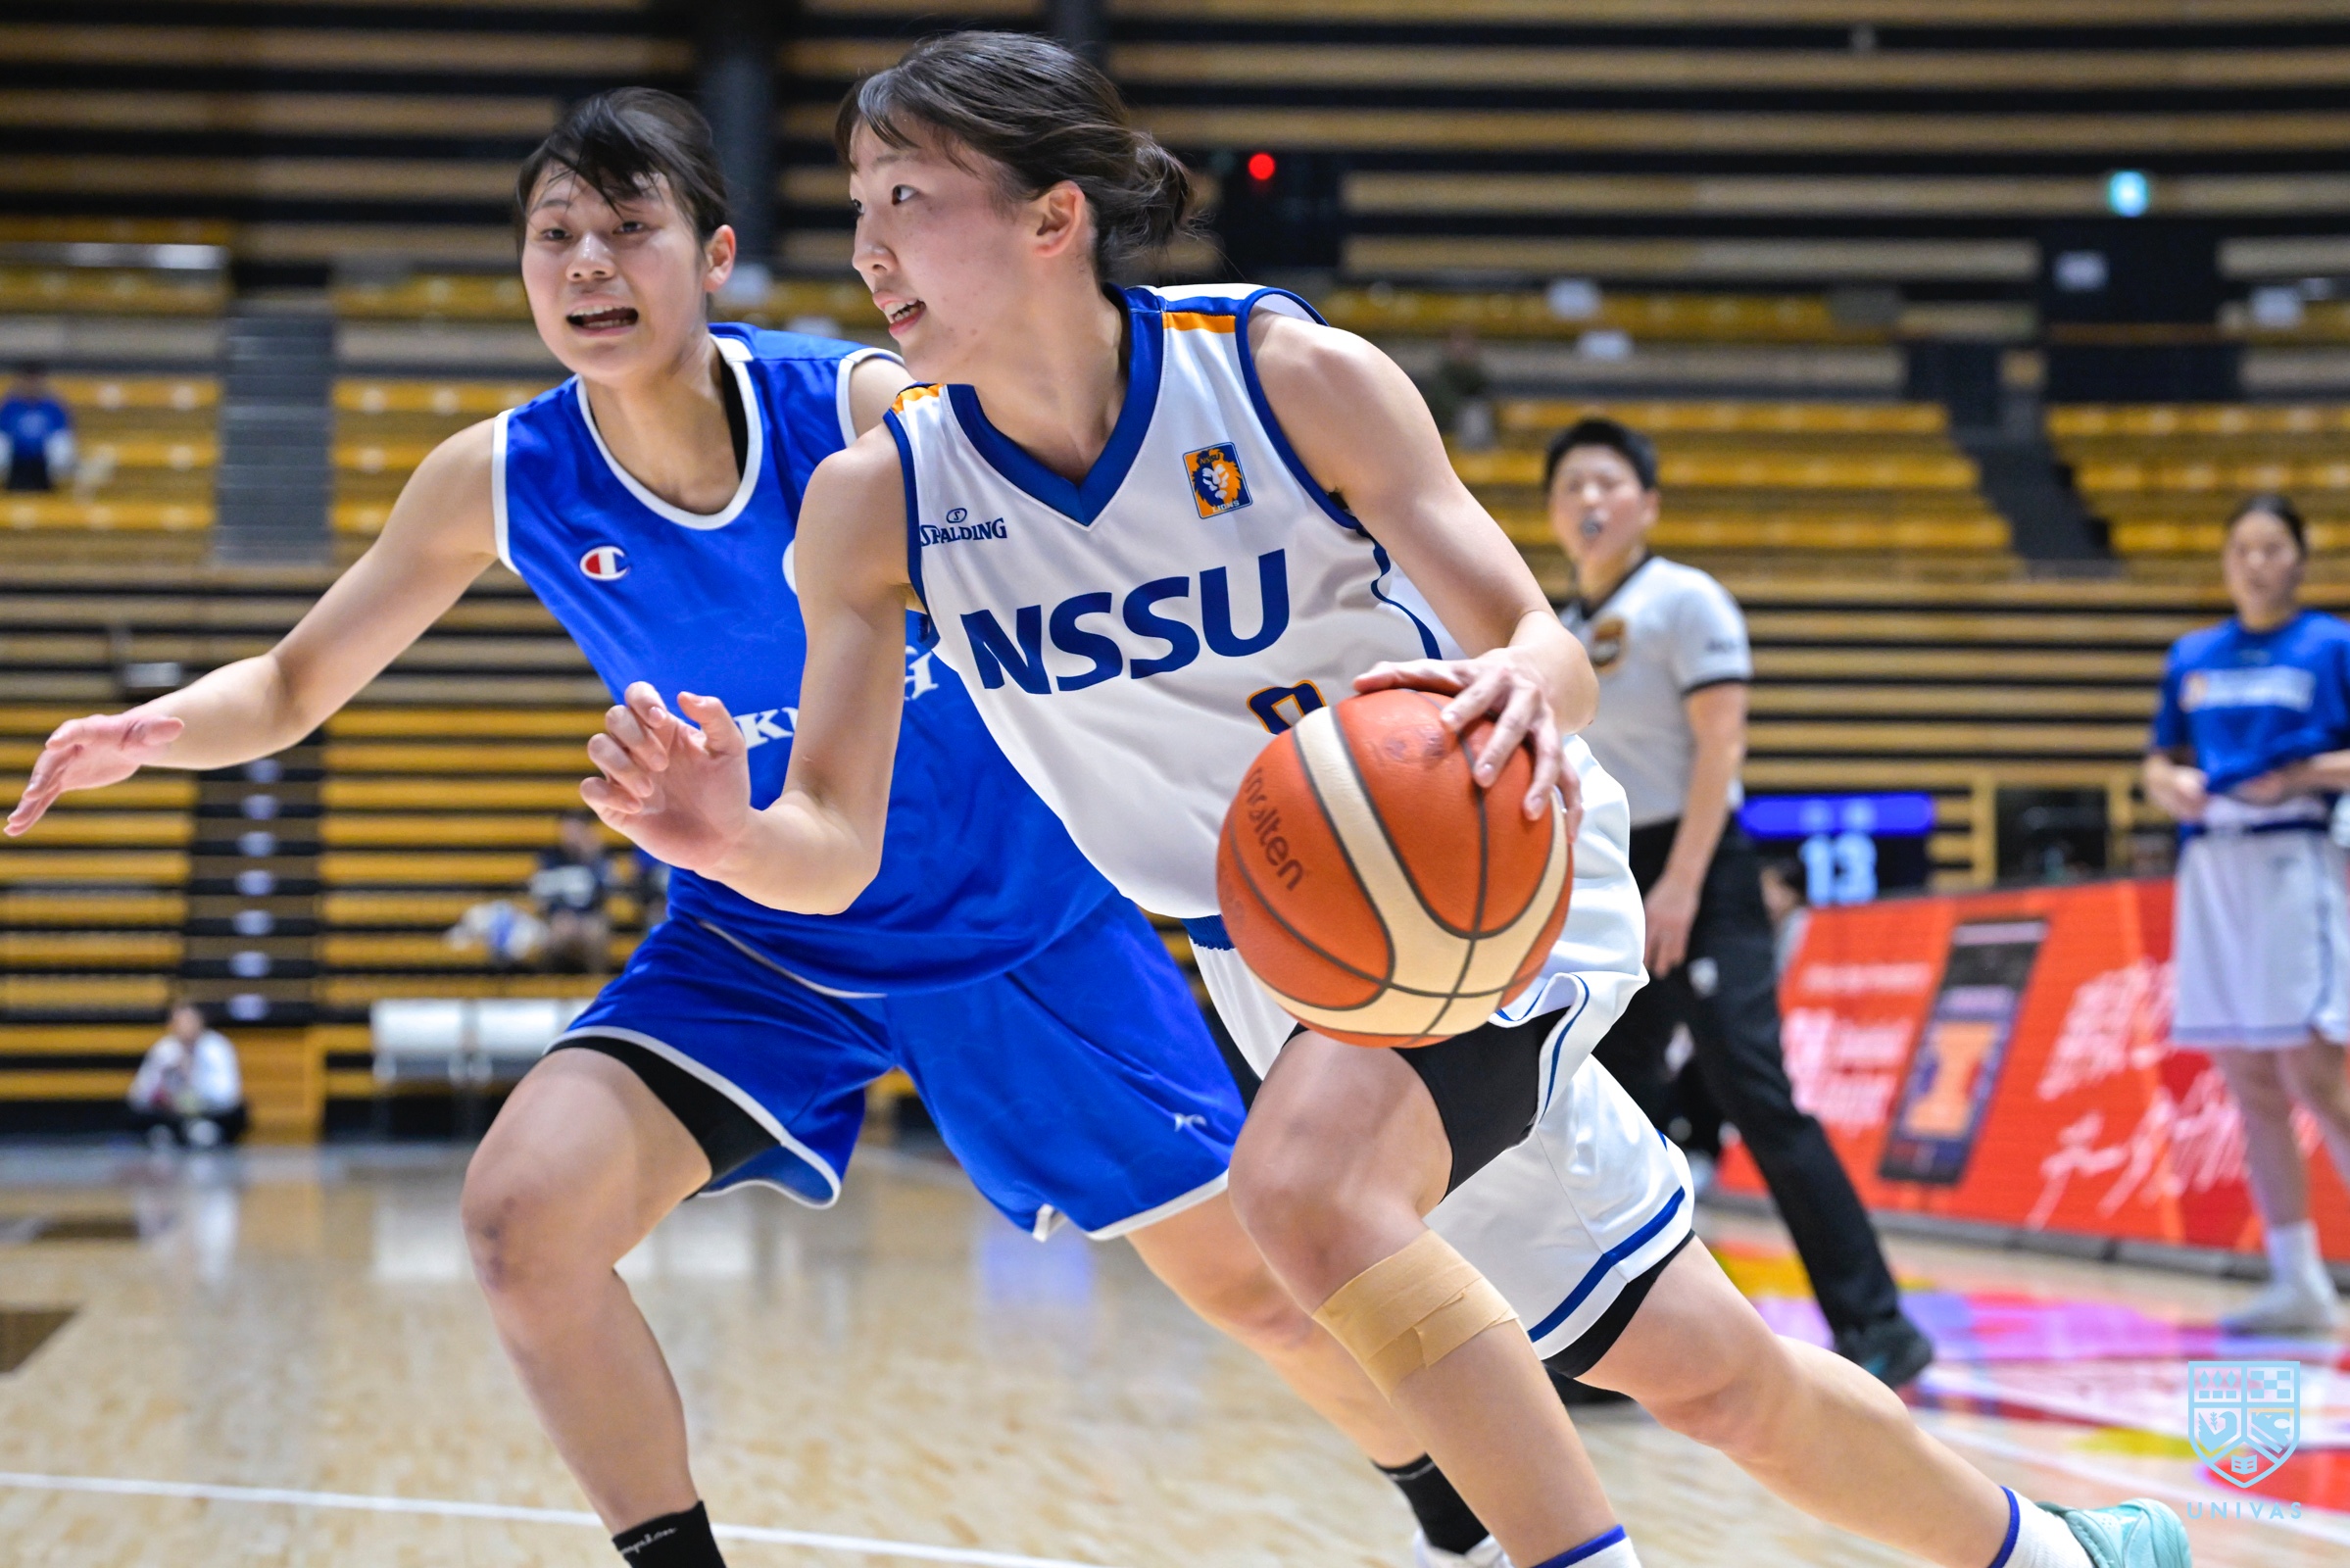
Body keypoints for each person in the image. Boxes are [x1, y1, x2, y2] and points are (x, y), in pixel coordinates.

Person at [580, 32, 2185, 1568]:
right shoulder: (876, 505)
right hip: (1279, 958)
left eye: (906, 198)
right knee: (1706, 1371)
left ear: (1052, 218)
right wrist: (728, 836)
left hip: (1478, 859)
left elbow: (1536, 643)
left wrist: (1524, 686)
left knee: (1298, 1192)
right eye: (856, 204)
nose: (867, 247)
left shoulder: (1285, 378)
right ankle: (2070, 1553)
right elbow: (832, 849)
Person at [6, 88, 1480, 1568]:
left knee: (1262, 1292)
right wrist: (155, 729)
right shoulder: (500, 478)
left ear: (713, 256)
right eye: (555, 236)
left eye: (627, 228)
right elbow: (291, 682)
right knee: (521, 1222)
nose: (589, 264)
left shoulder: (858, 412)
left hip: (1017, 919)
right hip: (758, 934)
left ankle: (1456, 1503)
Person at [1549, 416, 1936, 1389]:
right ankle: (1616, 1351)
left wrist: (1681, 883)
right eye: (1570, 486)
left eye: (1606, 482)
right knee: (1610, 1105)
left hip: (1701, 871)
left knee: (1754, 1094)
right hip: (1614, 873)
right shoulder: (1558, 630)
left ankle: (1879, 1324)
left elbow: (1722, 745)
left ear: (1647, 503)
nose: (1588, 500)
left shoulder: (1685, 599)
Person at [2143, 493, 2350, 1335]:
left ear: (2300, 558)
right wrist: (2170, 786)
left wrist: (2298, 776)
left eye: (2273, 548)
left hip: (2295, 859)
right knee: (2248, 1080)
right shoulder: (2192, 655)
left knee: (2318, 1077)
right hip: (2212, 865)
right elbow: (2156, 761)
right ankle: (2297, 1278)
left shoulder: (2331, 645)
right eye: (2244, 549)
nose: (2258, 563)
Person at [126, 1003, 247, 1149]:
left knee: (237, 1113)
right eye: (179, 1022)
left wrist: (193, 1077)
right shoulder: (164, 1049)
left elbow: (228, 1094)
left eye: (189, 1021)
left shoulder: (216, 1047)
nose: (185, 1027)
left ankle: (201, 1131)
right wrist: (161, 1082)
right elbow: (138, 1095)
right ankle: (171, 1132)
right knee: (140, 1117)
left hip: (209, 1112)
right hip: (171, 1113)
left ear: (200, 1022)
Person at [531, 808, 614, 972]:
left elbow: (607, 890)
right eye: (568, 829)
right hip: (559, 916)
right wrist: (556, 913)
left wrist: (593, 858)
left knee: (595, 931)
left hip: (589, 915)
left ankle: (597, 979)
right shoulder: (551, 856)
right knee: (558, 930)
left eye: (576, 829)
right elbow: (541, 891)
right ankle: (550, 980)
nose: (571, 834)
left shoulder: (598, 856)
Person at [0, 364, 74, 492]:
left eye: (35, 380)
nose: (31, 385)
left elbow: (61, 434)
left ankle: (58, 487)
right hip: (15, 460)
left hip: (44, 462)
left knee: (61, 449)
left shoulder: (53, 407)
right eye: (27, 380)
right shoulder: (9, 406)